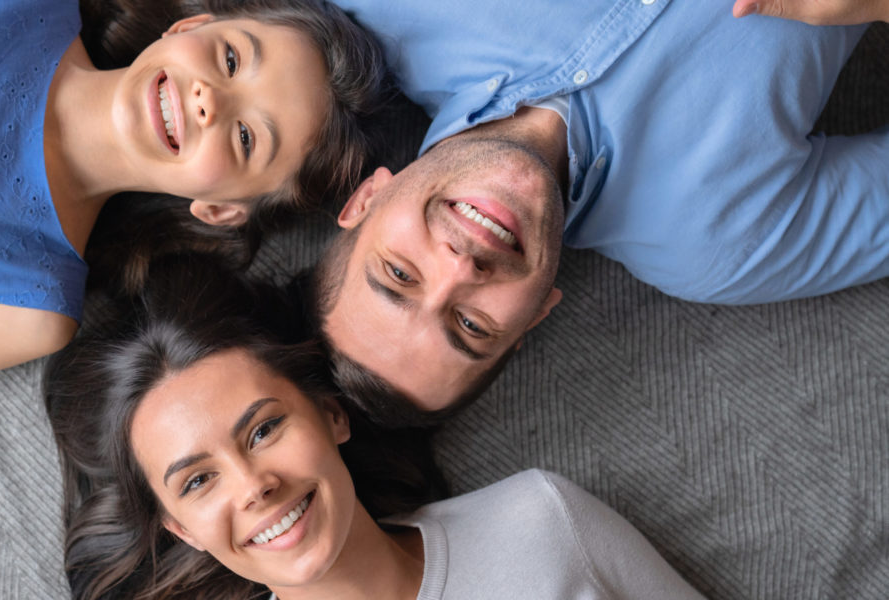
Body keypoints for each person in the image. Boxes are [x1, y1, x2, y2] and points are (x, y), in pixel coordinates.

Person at [0, 0, 389, 416]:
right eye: (231, 58)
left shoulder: (27, 304)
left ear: (222, 209)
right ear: (190, 26)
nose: (209, 100)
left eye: (248, 138)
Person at [308, 0, 889, 421]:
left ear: (367, 198)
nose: (460, 269)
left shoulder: (386, 11)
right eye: (470, 325)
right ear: (535, 317)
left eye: (400, 274)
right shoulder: (717, 244)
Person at [43, 255, 706, 600]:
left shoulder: (541, 520)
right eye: (198, 481)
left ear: (330, 414)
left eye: (262, 431)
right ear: (180, 528)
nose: (253, 486)